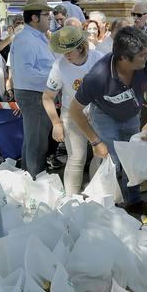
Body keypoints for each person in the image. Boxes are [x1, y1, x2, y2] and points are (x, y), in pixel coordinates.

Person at [68, 26, 147, 217]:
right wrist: (95, 141)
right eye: (142, 54)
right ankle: (107, 207)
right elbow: (75, 110)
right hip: (104, 116)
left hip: (131, 115)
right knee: (112, 163)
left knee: (132, 160)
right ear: (124, 59)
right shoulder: (97, 76)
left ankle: (134, 202)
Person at [42, 27, 103, 195]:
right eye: (62, 51)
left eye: (69, 51)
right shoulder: (59, 66)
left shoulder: (99, 59)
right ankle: (71, 199)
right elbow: (47, 97)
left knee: (101, 155)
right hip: (72, 115)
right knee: (77, 157)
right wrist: (56, 123)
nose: (65, 55)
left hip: (98, 114)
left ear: (81, 47)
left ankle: (97, 194)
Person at [9, 0, 54, 178]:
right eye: (46, 15)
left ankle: (30, 179)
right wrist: (54, 79)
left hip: (37, 92)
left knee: (32, 140)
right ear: (35, 18)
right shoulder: (25, 39)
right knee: (37, 142)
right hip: (33, 94)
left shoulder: (36, 36)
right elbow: (25, 74)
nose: (49, 18)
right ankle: (35, 180)